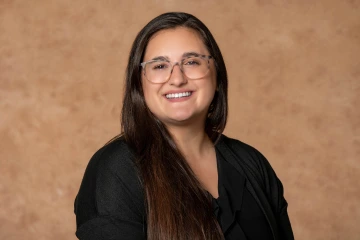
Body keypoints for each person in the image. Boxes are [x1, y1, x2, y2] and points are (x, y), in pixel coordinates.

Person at [74, 12, 294, 240]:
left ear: (216, 77)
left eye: (191, 62)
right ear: (139, 85)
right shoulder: (116, 170)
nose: (177, 78)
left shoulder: (252, 163)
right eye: (159, 66)